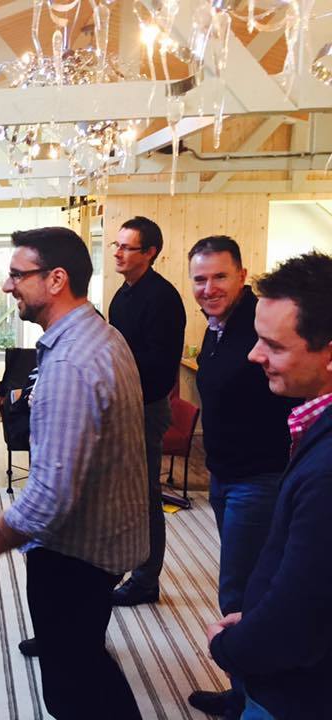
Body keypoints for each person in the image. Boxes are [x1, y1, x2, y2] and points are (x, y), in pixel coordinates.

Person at [0, 227, 148, 720]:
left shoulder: (70, 364)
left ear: (56, 279)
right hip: (106, 539)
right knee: (83, 655)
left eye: (17, 275)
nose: (6, 286)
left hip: (76, 553)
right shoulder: (103, 335)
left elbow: (49, 496)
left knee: (73, 688)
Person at [208, 251, 332, 720]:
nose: (254, 355)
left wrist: (228, 648)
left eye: (273, 346)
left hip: (297, 693)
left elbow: (299, 613)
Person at [185, 237, 298, 719]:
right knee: (240, 583)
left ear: (242, 275)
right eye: (200, 279)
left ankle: (250, 698)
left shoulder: (258, 324)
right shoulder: (217, 327)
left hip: (259, 476)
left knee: (241, 589)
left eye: (220, 277)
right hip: (225, 474)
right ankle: (244, 691)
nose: (209, 288)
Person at [108, 216, 186, 606]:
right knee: (123, 493)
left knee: (145, 495)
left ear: (150, 252)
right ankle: (124, 563)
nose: (118, 253)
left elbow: (159, 366)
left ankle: (145, 579)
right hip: (122, 404)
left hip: (146, 408)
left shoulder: (163, 298)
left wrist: (113, 362)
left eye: (127, 247)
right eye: (117, 245)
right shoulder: (122, 296)